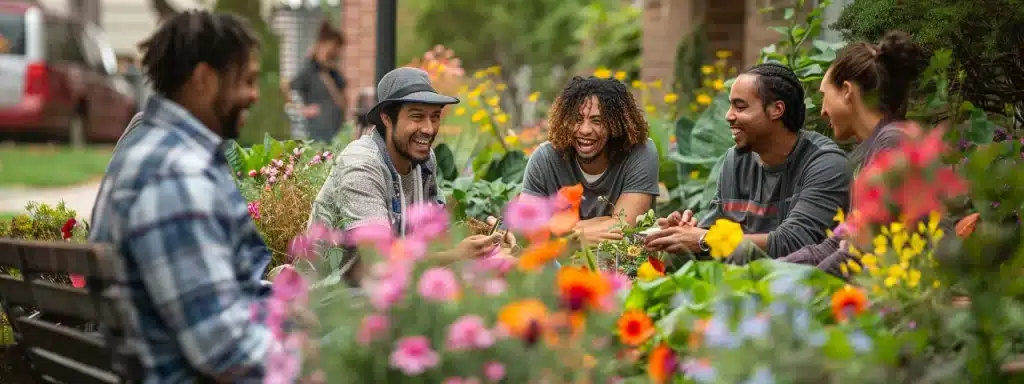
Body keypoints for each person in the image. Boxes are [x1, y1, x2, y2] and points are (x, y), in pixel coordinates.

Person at [88, 11, 277, 382]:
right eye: (247, 81)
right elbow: (224, 349)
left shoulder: (152, 151)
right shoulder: (174, 175)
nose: (254, 95)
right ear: (204, 80)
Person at [310, 67, 506, 275]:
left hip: (390, 287)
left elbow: (428, 244)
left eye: (435, 116)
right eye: (417, 117)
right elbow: (378, 261)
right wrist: (457, 255)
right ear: (387, 119)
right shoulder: (362, 166)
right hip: (332, 294)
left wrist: (483, 240)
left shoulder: (423, 160)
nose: (429, 129)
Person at [645, 63, 851, 260]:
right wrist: (681, 233)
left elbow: (794, 242)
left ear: (776, 110)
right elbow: (714, 234)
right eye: (730, 106)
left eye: (740, 107)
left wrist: (703, 239)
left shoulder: (824, 164)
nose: (728, 116)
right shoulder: (735, 161)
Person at [780, 31, 930, 273]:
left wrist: (793, 286)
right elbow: (835, 245)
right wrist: (765, 272)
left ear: (847, 91)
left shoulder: (893, 143)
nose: (823, 111)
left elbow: (859, 254)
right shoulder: (877, 146)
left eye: (824, 96)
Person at [520, 76, 660, 244]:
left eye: (597, 121)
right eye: (578, 120)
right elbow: (525, 230)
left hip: (622, 265)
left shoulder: (640, 153)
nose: (585, 130)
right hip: (558, 266)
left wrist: (556, 231)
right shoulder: (545, 159)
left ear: (616, 124)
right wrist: (578, 237)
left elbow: (624, 226)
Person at [284, 21, 347, 143]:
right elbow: (285, 86)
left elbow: (343, 102)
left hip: (335, 134)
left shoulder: (333, 73)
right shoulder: (309, 71)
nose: (336, 53)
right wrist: (302, 109)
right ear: (321, 45)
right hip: (315, 136)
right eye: (333, 47)